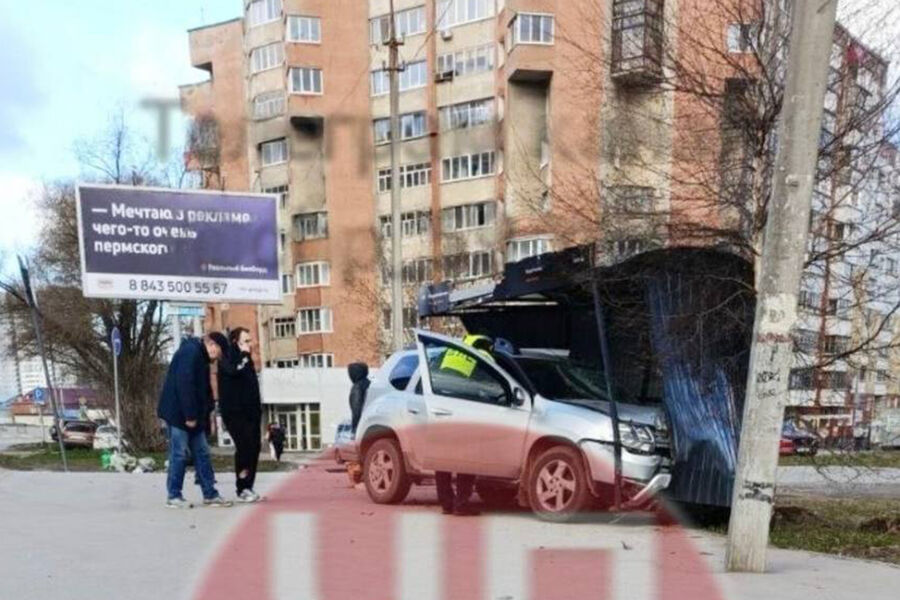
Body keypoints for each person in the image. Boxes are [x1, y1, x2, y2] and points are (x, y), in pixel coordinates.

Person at [157, 334, 231, 508]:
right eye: (219, 353)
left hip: (193, 416)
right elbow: (185, 384)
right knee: (179, 454)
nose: (217, 358)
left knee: (202, 452)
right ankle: (174, 495)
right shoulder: (191, 352)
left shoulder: (200, 356)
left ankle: (210, 494)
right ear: (212, 345)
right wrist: (190, 415)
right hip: (179, 415)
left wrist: (206, 414)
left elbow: (204, 390)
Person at [435, 334, 495, 516]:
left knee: (443, 459)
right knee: (466, 459)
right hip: (463, 410)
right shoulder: (482, 356)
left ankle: (446, 503)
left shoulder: (450, 352)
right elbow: (489, 384)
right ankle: (462, 503)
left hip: (441, 409)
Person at [212, 328, 263, 503]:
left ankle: (249, 485)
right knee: (244, 447)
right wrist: (244, 355)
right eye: (246, 341)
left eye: (250, 340)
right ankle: (242, 487)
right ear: (236, 342)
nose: (250, 344)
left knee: (254, 447)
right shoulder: (228, 358)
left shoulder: (247, 360)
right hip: (235, 412)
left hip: (251, 411)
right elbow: (234, 371)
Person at [347, 362, 370, 434]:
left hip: (361, 426)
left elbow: (357, 409)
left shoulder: (357, 387)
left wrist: (354, 428)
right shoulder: (369, 383)